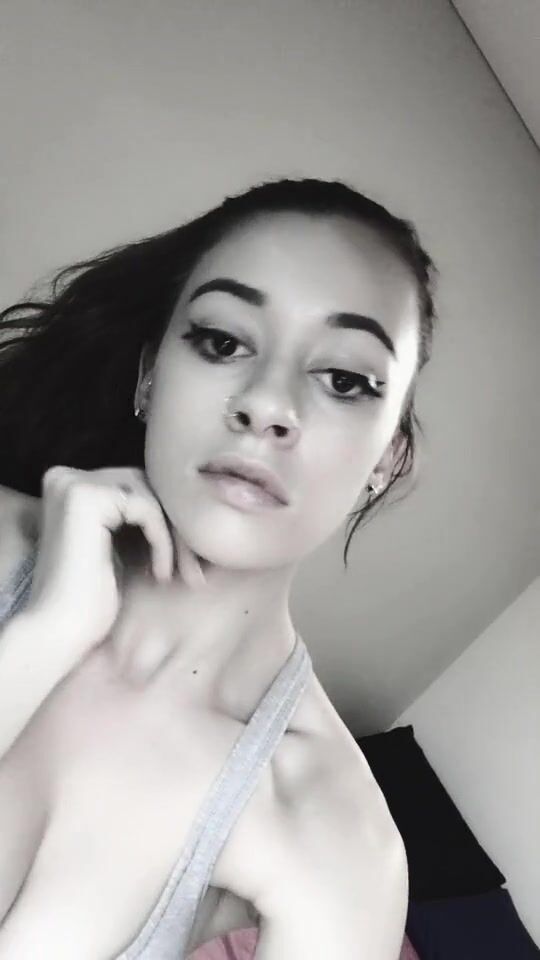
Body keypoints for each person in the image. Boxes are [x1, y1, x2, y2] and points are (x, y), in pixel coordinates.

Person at [0, 177, 439, 958]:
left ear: (387, 459)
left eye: (344, 380)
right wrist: (45, 636)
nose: (266, 405)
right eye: (223, 342)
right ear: (149, 377)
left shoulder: (339, 840)